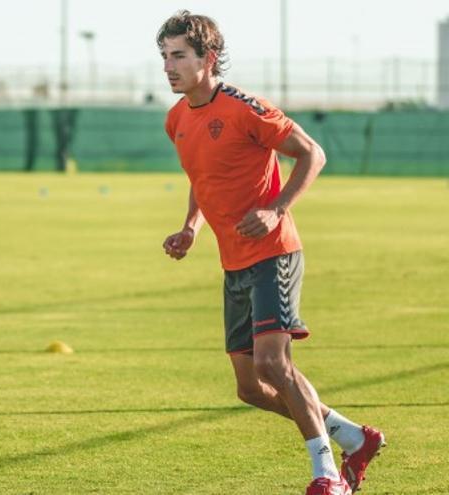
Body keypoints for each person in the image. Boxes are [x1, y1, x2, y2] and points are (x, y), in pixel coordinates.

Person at [157, 11, 384, 495]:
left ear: (208, 59)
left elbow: (312, 153)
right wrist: (190, 228)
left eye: (179, 55)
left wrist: (277, 210)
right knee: (249, 388)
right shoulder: (176, 119)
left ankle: (327, 474)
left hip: (273, 253)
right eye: (164, 56)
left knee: (272, 365)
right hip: (232, 261)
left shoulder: (246, 108)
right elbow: (204, 179)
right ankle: (352, 436)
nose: (168, 66)